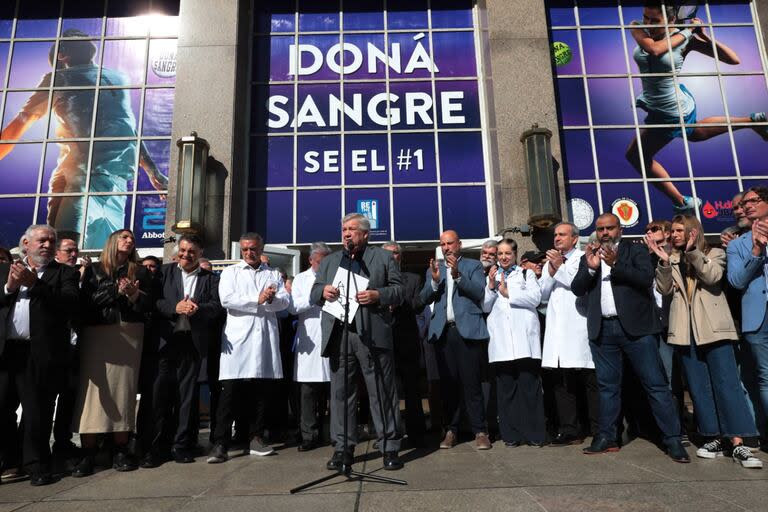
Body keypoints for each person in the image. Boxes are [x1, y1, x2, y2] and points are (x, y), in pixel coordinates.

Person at [0, 30, 167, 248]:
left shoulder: (102, 78)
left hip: (102, 183)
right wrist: (152, 170)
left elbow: (129, 129)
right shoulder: (75, 79)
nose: (83, 38)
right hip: (94, 182)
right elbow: (20, 124)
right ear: (62, 55)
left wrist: (152, 170)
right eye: (74, 38)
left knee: (86, 254)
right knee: (74, 251)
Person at [571, 213, 689, 462]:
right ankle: (606, 437)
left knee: (656, 384)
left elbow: (646, 279)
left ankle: (672, 439)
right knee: (607, 387)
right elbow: (577, 288)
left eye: (610, 228)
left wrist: (616, 265)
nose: (605, 233)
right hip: (603, 330)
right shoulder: (589, 255)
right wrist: (591, 270)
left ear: (620, 230)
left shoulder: (633, 251)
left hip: (636, 330)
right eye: (600, 229)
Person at [626, 4, 766, 214]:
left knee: (636, 155)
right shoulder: (638, 27)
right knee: (694, 132)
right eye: (646, 17)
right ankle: (751, 120)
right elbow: (655, 50)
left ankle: (683, 202)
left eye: (655, 21)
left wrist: (704, 36)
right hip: (660, 105)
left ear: (671, 20)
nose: (648, 24)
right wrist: (687, 31)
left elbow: (733, 59)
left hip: (670, 108)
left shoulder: (686, 39)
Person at [650, 215, 762, 468]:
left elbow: (712, 277)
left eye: (679, 230)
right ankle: (713, 436)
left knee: (727, 383)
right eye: (673, 231)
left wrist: (693, 254)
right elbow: (664, 289)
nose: (673, 235)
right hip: (685, 330)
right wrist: (664, 263)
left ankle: (738, 441)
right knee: (699, 386)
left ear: (692, 231)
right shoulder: (674, 258)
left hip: (713, 329)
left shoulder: (715, 252)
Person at [310, 213, 404, 471]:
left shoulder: (382, 258)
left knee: (381, 392)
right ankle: (343, 449)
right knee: (340, 394)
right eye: (344, 229)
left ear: (365, 234)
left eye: (352, 229)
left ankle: (389, 447)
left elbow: (400, 290)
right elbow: (314, 291)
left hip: (372, 334)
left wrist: (378, 294)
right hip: (340, 334)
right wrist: (324, 292)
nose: (346, 234)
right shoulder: (330, 261)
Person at [0, 225, 79, 486]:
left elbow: (68, 304)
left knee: (36, 412)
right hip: (7, 351)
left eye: (51, 241)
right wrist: (10, 288)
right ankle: (10, 461)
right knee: (3, 408)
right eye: (41, 240)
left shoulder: (64, 274)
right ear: (25, 243)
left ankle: (36, 464)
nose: (46, 245)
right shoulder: (6, 270)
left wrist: (35, 284)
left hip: (38, 352)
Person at [71, 229, 153, 476]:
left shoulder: (139, 271)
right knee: (93, 395)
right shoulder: (95, 270)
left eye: (132, 239)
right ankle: (89, 452)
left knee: (123, 392)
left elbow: (150, 305)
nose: (129, 241)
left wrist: (134, 294)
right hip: (98, 333)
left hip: (128, 334)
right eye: (124, 237)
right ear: (113, 241)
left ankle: (120, 449)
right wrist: (116, 292)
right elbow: (87, 302)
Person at [206, 233, 289, 464]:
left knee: (262, 391)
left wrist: (272, 300)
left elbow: (285, 302)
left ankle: (256, 437)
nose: (249, 253)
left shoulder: (272, 274)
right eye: (244, 250)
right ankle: (221, 442)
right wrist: (258, 299)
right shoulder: (231, 273)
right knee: (230, 391)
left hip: (263, 338)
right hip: (238, 339)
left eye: (253, 249)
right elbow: (227, 299)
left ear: (261, 248)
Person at [147, 234, 222, 465]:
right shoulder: (164, 273)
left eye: (191, 251)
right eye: (183, 250)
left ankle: (181, 445)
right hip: (166, 342)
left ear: (200, 254)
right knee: (159, 396)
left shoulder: (211, 278)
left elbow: (217, 307)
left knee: (186, 397)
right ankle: (156, 447)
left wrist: (196, 309)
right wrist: (175, 308)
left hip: (192, 343)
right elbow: (154, 301)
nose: (186, 254)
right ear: (177, 251)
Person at [420, 230, 491, 450]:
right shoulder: (435, 269)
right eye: (442, 244)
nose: (446, 247)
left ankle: (480, 431)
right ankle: (451, 430)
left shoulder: (473, 266)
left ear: (459, 244)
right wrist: (433, 282)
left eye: (450, 243)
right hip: (444, 332)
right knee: (448, 385)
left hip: (467, 331)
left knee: (471, 383)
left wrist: (458, 275)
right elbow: (423, 298)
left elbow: (479, 292)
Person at [538, 222, 598, 446]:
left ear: (575, 238)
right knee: (562, 383)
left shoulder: (584, 257)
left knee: (587, 380)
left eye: (562, 234)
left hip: (578, 326)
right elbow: (542, 294)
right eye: (555, 235)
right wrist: (551, 270)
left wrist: (558, 268)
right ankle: (569, 429)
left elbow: (577, 283)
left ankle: (595, 427)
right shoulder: (550, 262)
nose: (557, 238)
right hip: (557, 330)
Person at [483, 239, 546, 447]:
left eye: (507, 253)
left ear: (515, 254)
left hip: (524, 340)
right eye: (499, 254)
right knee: (506, 391)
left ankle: (534, 434)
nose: (503, 257)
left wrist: (510, 294)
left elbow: (535, 298)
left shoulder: (526, 273)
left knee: (529, 389)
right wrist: (491, 287)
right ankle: (511, 435)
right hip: (501, 342)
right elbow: (485, 306)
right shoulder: (491, 276)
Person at [727, 185, 768, 446]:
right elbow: (736, 281)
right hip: (757, 318)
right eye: (745, 202)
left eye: (754, 200)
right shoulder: (738, 244)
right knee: (765, 377)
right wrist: (755, 252)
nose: (747, 205)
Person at [383, 241, 427, 447]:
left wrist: (400, 302)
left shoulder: (413, 279)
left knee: (411, 389)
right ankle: (390, 434)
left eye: (395, 254)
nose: (392, 257)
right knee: (386, 390)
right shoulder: (374, 280)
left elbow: (419, 306)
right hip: (383, 341)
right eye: (388, 254)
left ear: (400, 257)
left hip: (407, 340)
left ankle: (417, 434)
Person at [289, 242, 332, 452]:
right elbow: (293, 306)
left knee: (331, 389)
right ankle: (308, 434)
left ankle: (332, 433)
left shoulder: (335, 276)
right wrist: (316, 297)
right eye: (320, 261)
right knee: (308, 392)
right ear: (311, 260)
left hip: (331, 336)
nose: (323, 264)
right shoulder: (300, 279)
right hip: (310, 339)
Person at [51, 238, 88, 464]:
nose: (73, 254)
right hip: (55, 345)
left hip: (77, 346)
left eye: (75, 250)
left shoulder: (82, 275)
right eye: (68, 250)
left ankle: (63, 442)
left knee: (70, 396)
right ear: (57, 253)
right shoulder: (53, 274)